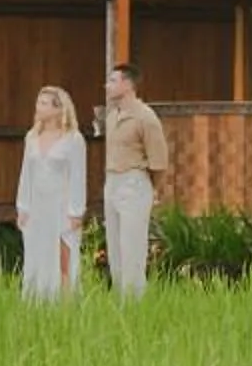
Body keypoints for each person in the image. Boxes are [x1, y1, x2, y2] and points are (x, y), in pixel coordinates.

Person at [99, 62, 169, 298]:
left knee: (132, 246)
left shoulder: (145, 117)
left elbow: (159, 161)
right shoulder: (111, 117)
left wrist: (152, 189)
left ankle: (134, 299)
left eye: (112, 81)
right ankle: (119, 296)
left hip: (134, 180)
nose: (106, 85)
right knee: (115, 245)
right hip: (112, 180)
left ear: (127, 85)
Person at [13, 85, 87, 301]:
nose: (39, 107)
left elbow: (78, 176)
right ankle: (36, 299)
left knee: (63, 255)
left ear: (58, 109)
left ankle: (64, 301)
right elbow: (26, 173)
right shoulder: (32, 137)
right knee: (37, 253)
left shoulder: (73, 139)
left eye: (44, 103)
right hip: (38, 205)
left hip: (61, 204)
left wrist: (76, 211)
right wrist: (23, 206)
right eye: (38, 102)